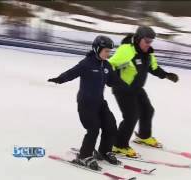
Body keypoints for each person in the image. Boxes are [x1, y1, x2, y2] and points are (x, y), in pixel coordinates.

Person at [48, 35, 127, 170]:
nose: (108, 54)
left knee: (111, 125)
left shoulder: (106, 65)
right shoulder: (87, 63)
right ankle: (84, 156)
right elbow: (72, 73)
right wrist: (60, 79)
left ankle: (104, 151)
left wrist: (125, 86)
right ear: (97, 49)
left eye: (109, 51)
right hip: (86, 103)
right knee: (93, 129)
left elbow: (112, 81)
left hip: (100, 103)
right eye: (106, 51)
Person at [109, 26, 179, 157]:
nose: (149, 44)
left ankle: (143, 136)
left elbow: (153, 68)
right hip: (123, 89)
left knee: (148, 110)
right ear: (138, 38)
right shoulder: (126, 50)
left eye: (151, 41)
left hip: (136, 88)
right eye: (146, 41)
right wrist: (113, 80)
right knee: (131, 116)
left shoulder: (148, 53)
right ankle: (119, 145)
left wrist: (166, 75)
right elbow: (110, 64)